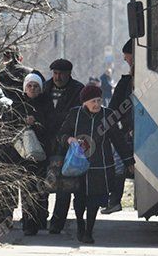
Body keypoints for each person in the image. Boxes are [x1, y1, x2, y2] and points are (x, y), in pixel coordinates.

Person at [57, 85, 134, 243]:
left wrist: (129, 161)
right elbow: (61, 134)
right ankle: (80, 223)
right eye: (93, 101)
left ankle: (88, 231)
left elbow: (119, 141)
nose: (97, 104)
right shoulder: (75, 114)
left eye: (99, 100)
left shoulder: (108, 115)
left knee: (94, 200)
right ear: (85, 102)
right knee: (80, 199)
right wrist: (69, 139)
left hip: (100, 165)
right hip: (78, 165)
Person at [43, 58, 85, 234]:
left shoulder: (77, 90)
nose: (57, 77)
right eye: (55, 73)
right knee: (42, 183)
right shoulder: (45, 88)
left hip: (66, 144)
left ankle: (57, 223)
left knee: (64, 186)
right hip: (45, 143)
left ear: (69, 74)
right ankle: (38, 218)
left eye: (61, 74)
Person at [9, 73, 53, 235]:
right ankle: (29, 223)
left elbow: (51, 124)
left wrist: (37, 122)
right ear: (24, 87)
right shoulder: (18, 104)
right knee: (26, 188)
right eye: (30, 86)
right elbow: (11, 124)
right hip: (23, 155)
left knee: (40, 188)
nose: (32, 89)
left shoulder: (46, 103)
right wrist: (23, 122)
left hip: (41, 154)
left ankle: (41, 219)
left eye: (36, 86)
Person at [103, 40, 135, 214]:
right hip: (127, 134)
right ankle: (114, 200)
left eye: (128, 57)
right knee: (119, 164)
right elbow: (113, 111)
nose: (126, 61)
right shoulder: (125, 84)